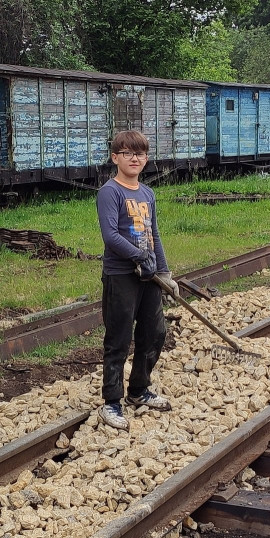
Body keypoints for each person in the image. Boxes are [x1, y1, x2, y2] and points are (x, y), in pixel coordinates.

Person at [96, 130, 182, 431]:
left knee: (155, 333)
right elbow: (111, 236)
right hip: (121, 276)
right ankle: (111, 402)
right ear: (115, 157)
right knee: (118, 339)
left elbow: (153, 235)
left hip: (149, 276)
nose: (135, 158)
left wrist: (165, 271)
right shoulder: (110, 192)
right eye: (128, 153)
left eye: (141, 153)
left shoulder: (147, 194)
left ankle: (138, 391)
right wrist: (137, 256)